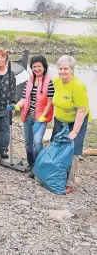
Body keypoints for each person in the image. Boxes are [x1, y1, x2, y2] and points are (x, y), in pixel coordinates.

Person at [51, 55, 91, 194]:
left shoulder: (78, 86)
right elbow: (52, 98)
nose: (62, 72)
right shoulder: (56, 81)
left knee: (73, 150)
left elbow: (82, 109)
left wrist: (75, 131)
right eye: (60, 68)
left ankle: (69, 182)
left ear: (72, 70)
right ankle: (56, 175)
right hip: (60, 119)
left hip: (77, 120)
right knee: (56, 146)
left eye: (66, 69)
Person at [15, 55, 54, 178]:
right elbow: (24, 99)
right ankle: (32, 165)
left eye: (39, 66)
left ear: (44, 67)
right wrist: (16, 106)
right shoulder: (30, 80)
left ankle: (39, 166)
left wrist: (42, 117)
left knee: (37, 142)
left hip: (40, 118)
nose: (36, 68)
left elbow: (50, 103)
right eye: (34, 66)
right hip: (28, 116)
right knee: (28, 143)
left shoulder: (50, 82)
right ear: (31, 67)